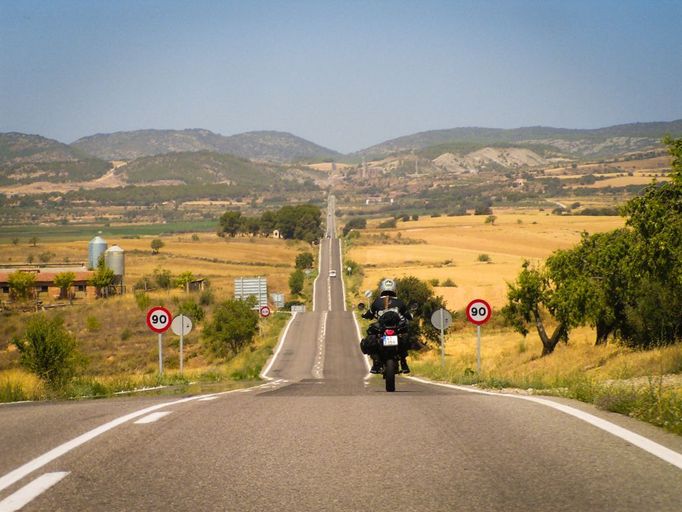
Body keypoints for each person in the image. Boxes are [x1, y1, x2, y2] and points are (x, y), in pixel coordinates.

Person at [360, 278, 413, 374]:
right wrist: (410, 316)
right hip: (396, 329)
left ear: (382, 288)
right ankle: (404, 362)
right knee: (405, 337)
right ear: (394, 289)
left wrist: (364, 315)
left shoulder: (377, 302)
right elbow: (407, 315)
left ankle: (376, 364)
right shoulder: (400, 302)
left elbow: (370, 314)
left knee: (370, 338)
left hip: (382, 329)